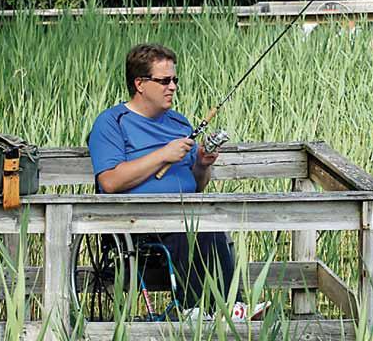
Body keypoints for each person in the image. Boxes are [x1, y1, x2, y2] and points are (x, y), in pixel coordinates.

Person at [88, 43, 267, 321]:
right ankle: (195, 308)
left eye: (174, 80)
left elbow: (197, 184)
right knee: (191, 222)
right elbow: (110, 182)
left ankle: (230, 305)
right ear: (140, 84)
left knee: (206, 217)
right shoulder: (112, 122)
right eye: (163, 81)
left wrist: (201, 164)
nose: (172, 87)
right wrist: (162, 155)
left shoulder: (179, 123)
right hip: (134, 221)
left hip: (186, 212)